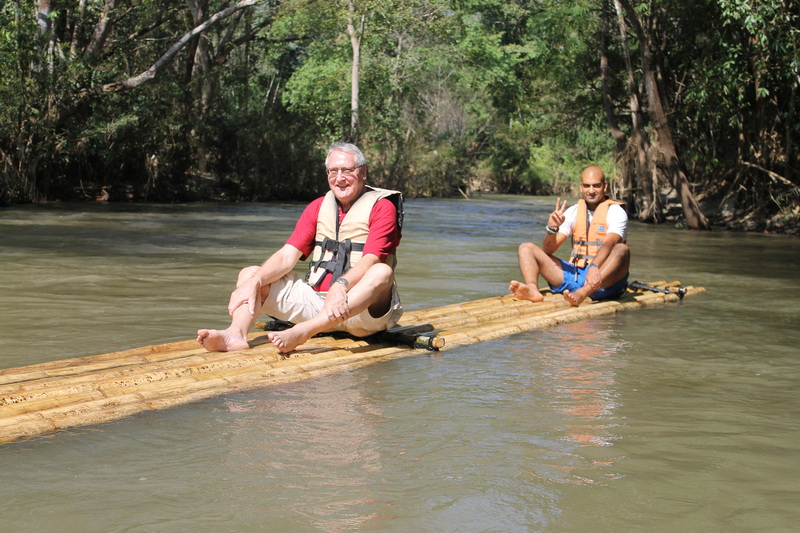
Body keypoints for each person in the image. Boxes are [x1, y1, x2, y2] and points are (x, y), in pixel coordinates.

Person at [197, 142, 404, 353]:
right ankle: (236, 334)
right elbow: (288, 255)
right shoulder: (318, 206)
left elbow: (371, 259)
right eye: (333, 171)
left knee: (382, 271)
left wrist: (340, 286)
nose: (339, 178)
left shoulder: (382, 206)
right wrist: (255, 281)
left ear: (363, 172)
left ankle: (303, 332)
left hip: (364, 313)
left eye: (347, 170)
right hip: (318, 304)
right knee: (250, 274)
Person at [509, 165, 630, 307]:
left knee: (622, 249)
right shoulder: (573, 211)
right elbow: (548, 250)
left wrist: (594, 266)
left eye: (596, 186)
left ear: (604, 186)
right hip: (576, 275)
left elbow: (609, 243)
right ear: (581, 187)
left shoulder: (616, 212)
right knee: (526, 248)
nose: (591, 191)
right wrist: (552, 228)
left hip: (604, 279)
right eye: (587, 186)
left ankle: (583, 293)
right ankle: (532, 289)